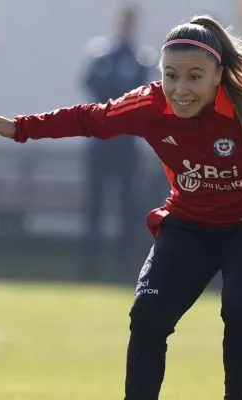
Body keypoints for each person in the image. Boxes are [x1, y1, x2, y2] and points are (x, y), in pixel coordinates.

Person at [0, 14, 242, 400]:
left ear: (218, 76)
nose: (181, 88)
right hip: (190, 224)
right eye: (171, 75)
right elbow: (90, 119)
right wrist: (20, 128)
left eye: (195, 77)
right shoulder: (150, 105)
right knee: (148, 314)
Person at [80, 5, 155, 280]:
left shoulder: (140, 59)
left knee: (127, 206)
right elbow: (91, 86)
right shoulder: (100, 55)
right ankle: (90, 264)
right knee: (95, 206)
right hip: (100, 142)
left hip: (126, 144)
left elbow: (137, 94)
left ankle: (125, 263)